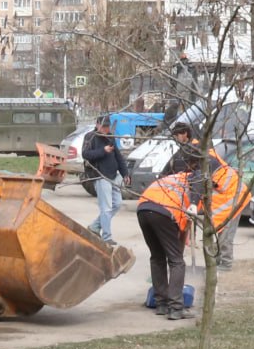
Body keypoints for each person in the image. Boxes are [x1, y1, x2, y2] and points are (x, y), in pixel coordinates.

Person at [137, 169, 202, 320]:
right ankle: (176, 308)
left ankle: (161, 304)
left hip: (143, 209)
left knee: (157, 257)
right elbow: (186, 221)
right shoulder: (198, 181)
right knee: (177, 262)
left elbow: (184, 223)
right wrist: (178, 251)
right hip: (164, 212)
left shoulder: (173, 179)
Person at [82, 114, 130, 245]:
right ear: (97, 125)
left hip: (113, 176)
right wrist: (103, 151)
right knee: (106, 207)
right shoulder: (90, 137)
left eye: (107, 127)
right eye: (103, 127)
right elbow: (85, 154)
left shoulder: (111, 137)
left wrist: (125, 173)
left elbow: (119, 157)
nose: (105, 129)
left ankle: (95, 226)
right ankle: (106, 237)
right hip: (100, 176)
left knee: (117, 204)